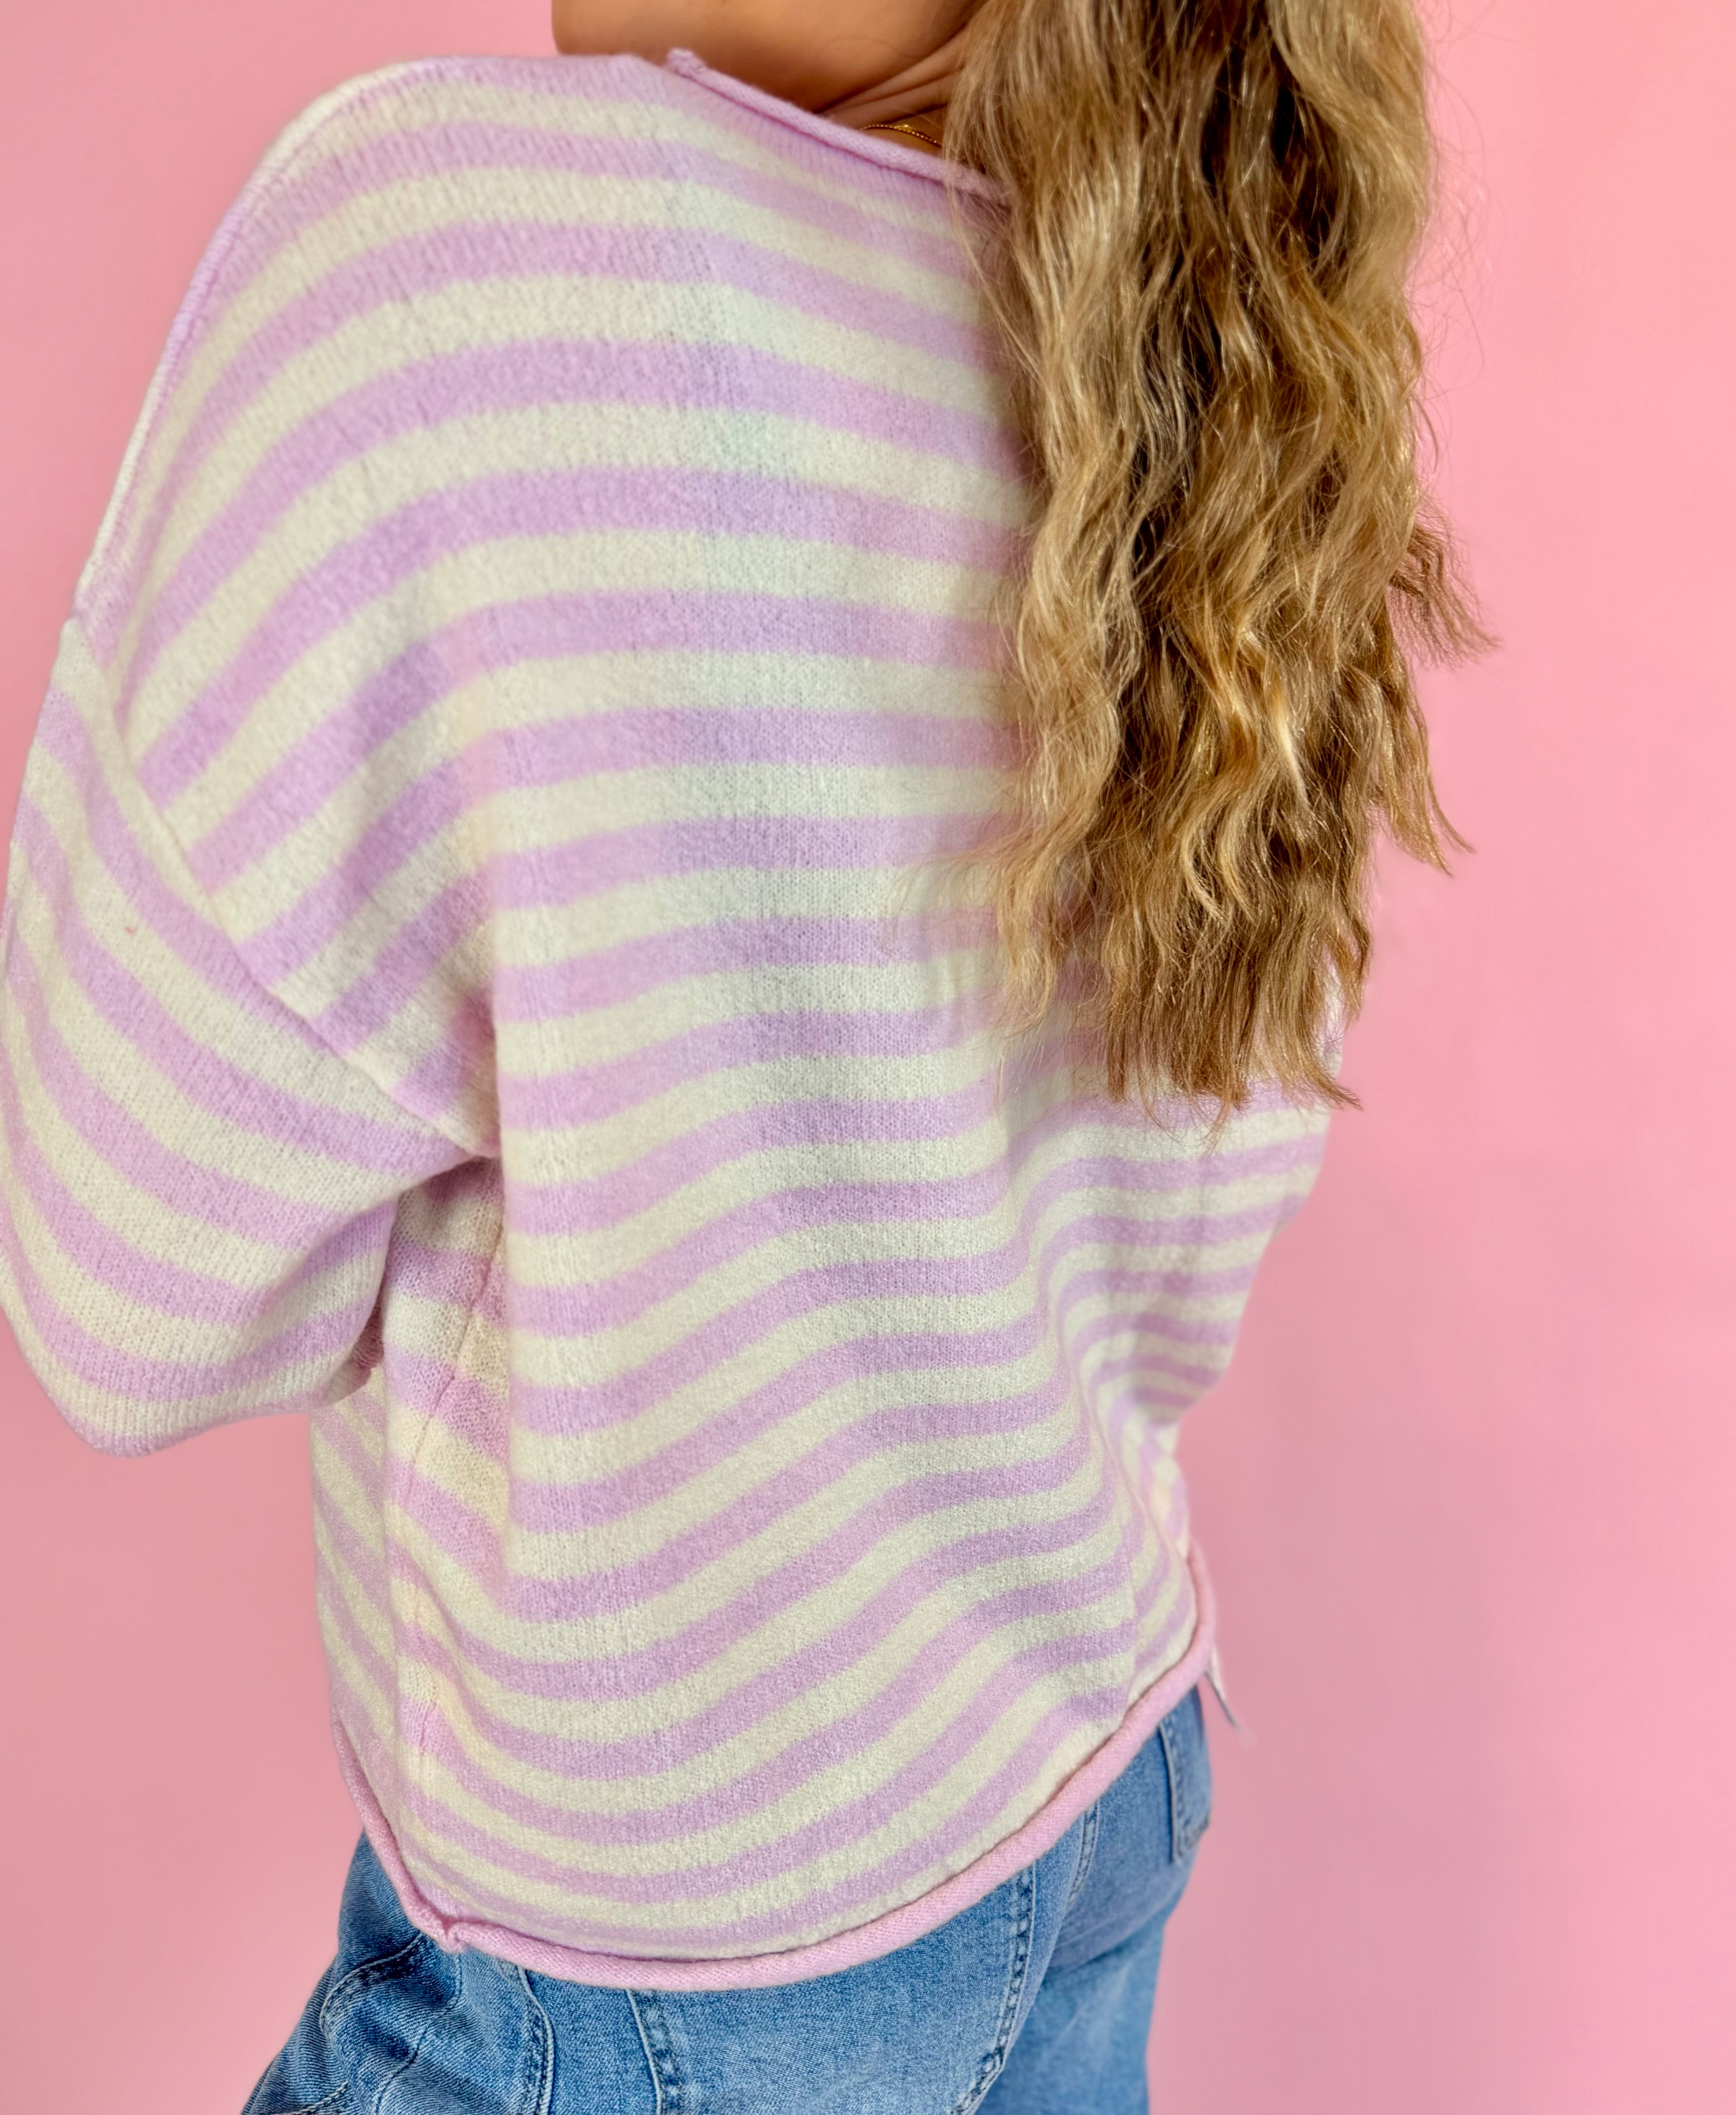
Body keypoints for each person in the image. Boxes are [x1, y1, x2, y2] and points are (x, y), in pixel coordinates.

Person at [0, 0, 1480, 2108]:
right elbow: (1194, 1239)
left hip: (662, 1972)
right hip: (1095, 1765)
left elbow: (123, 1282)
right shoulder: (1212, 352)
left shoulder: (446, 258)